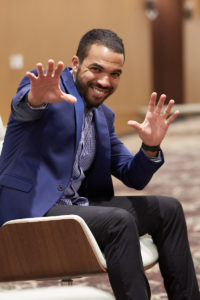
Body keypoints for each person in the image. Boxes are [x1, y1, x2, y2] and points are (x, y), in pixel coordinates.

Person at [0, 28, 199, 300]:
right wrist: (36, 99)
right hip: (32, 210)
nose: (105, 81)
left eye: (115, 74)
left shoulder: (103, 116)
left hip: (76, 206)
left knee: (169, 210)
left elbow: (134, 177)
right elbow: (24, 105)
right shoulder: (48, 91)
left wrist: (150, 146)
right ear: (75, 63)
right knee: (119, 222)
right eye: (96, 69)